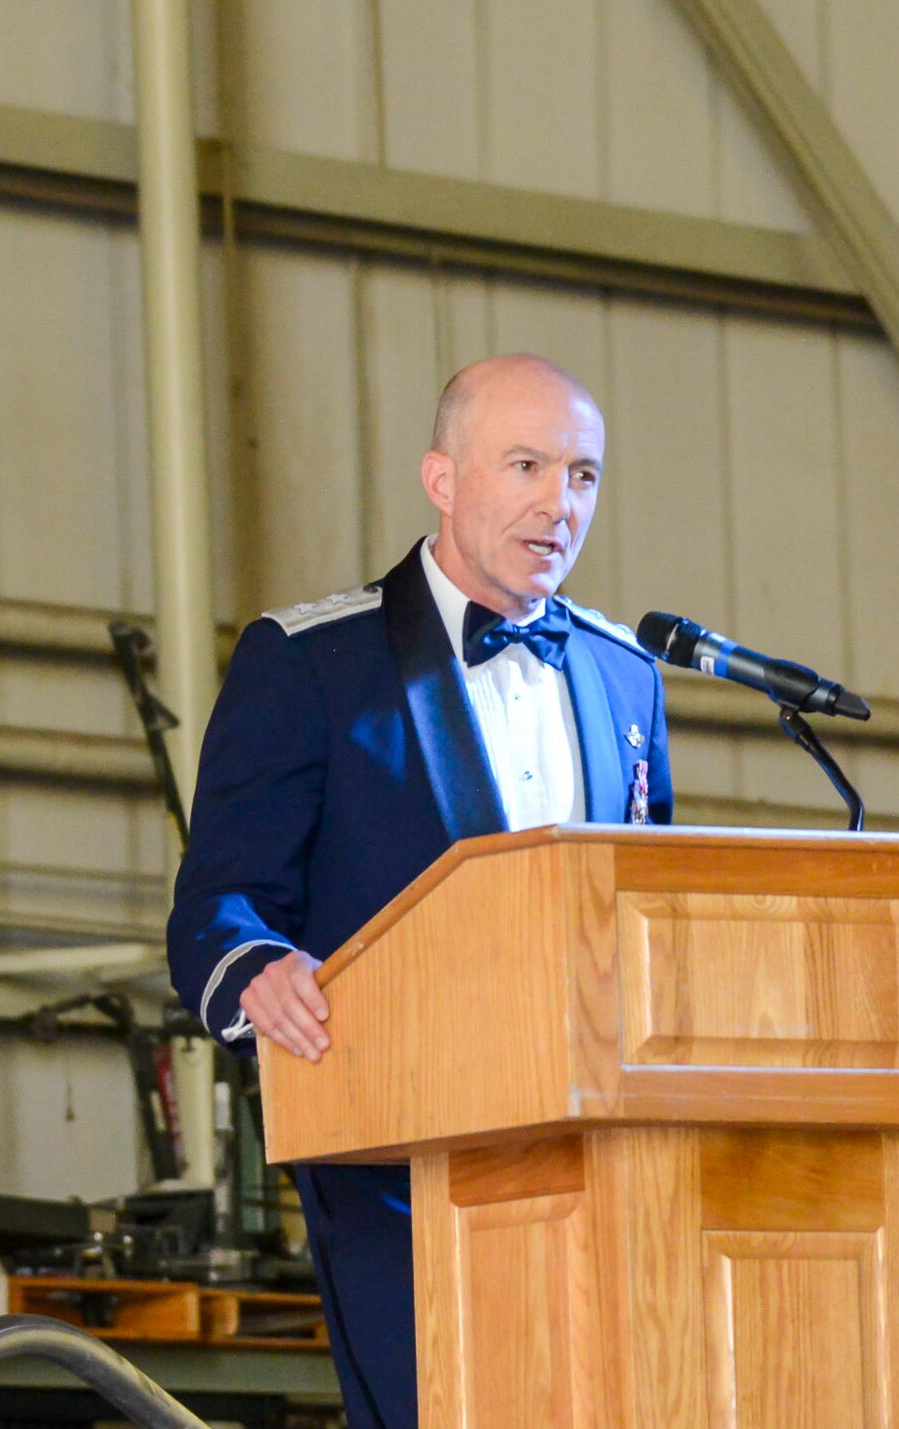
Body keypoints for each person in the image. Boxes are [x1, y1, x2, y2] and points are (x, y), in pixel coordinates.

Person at [166, 354, 673, 1428]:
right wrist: (257, 968)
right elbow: (219, 903)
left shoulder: (626, 676)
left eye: (582, 474)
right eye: (526, 465)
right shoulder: (306, 663)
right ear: (440, 479)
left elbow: (649, 907)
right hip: (396, 1152)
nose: (559, 501)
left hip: (601, 1154)